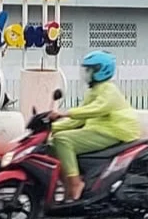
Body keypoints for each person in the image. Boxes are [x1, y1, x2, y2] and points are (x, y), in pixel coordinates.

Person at [48, 51, 141, 202]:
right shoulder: (93, 91)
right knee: (51, 144)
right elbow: (77, 121)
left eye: (90, 70)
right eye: (86, 69)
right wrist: (49, 128)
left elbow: (97, 108)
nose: (86, 73)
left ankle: (76, 183)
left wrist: (65, 113)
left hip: (115, 131)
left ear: (101, 71)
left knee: (62, 140)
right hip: (99, 130)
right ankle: (68, 186)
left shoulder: (109, 90)